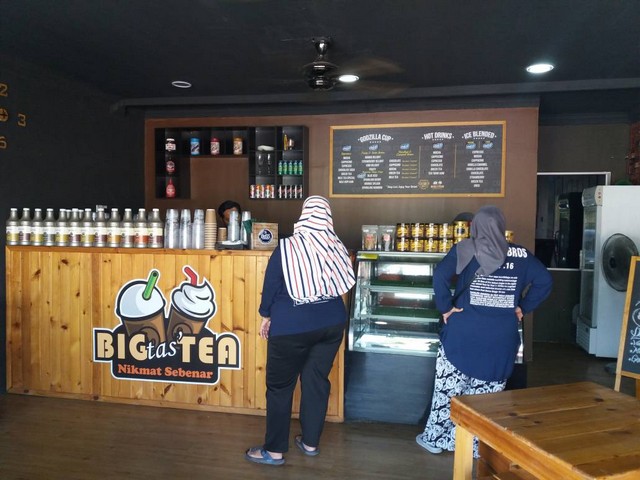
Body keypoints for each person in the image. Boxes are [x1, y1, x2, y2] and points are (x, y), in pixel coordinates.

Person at [416, 205, 552, 456]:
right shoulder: (520, 255)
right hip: (500, 339)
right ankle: (473, 445)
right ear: (501, 227)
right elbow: (545, 281)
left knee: (448, 392)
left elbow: (440, 276)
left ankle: (435, 439)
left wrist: (446, 308)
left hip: (462, 334)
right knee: (485, 399)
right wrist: (523, 307)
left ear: (475, 227)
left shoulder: (464, 248)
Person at [245, 195, 356, 466]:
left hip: (291, 326)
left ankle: (274, 451)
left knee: (280, 387)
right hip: (332, 323)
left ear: (303, 215)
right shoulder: (338, 246)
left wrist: (266, 316)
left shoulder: (287, 247)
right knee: (316, 381)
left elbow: (271, 287)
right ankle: (310, 442)